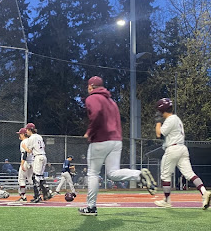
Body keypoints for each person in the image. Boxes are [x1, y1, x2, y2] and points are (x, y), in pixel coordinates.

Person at [78, 76, 157, 216]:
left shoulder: (92, 98)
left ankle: (91, 207)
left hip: (101, 139)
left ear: (91, 86)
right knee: (113, 173)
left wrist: (90, 131)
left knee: (93, 173)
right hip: (116, 140)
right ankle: (139, 175)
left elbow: (96, 114)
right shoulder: (112, 102)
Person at [154, 98, 211, 209]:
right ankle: (204, 192)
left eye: (159, 111)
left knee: (165, 175)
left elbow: (159, 134)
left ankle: (166, 200)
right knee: (190, 174)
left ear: (162, 110)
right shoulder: (177, 119)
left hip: (172, 149)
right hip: (182, 148)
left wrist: (157, 122)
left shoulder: (170, 119)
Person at [23, 123, 53, 203]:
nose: (26, 132)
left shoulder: (31, 138)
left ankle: (37, 196)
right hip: (43, 156)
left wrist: (24, 147)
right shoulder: (39, 136)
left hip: (38, 157)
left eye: (27, 130)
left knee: (35, 177)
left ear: (30, 130)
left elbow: (29, 151)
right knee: (40, 176)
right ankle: (47, 192)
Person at [17, 127, 33, 202]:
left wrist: (22, 164)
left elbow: (25, 153)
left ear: (23, 134)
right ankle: (38, 194)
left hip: (26, 162)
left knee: (21, 179)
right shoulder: (30, 140)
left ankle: (23, 196)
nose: (19, 135)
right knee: (31, 180)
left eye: (20, 134)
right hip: (33, 162)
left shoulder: (23, 142)